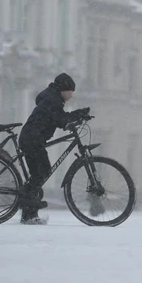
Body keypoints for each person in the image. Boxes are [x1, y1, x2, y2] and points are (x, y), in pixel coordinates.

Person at [18, 73, 90, 225]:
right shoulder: (52, 100)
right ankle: (27, 206)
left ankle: (29, 209)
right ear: (64, 89)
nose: (71, 95)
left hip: (32, 139)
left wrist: (78, 115)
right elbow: (60, 119)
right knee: (42, 171)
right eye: (71, 91)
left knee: (38, 174)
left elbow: (59, 117)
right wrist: (76, 116)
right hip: (32, 140)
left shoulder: (52, 99)